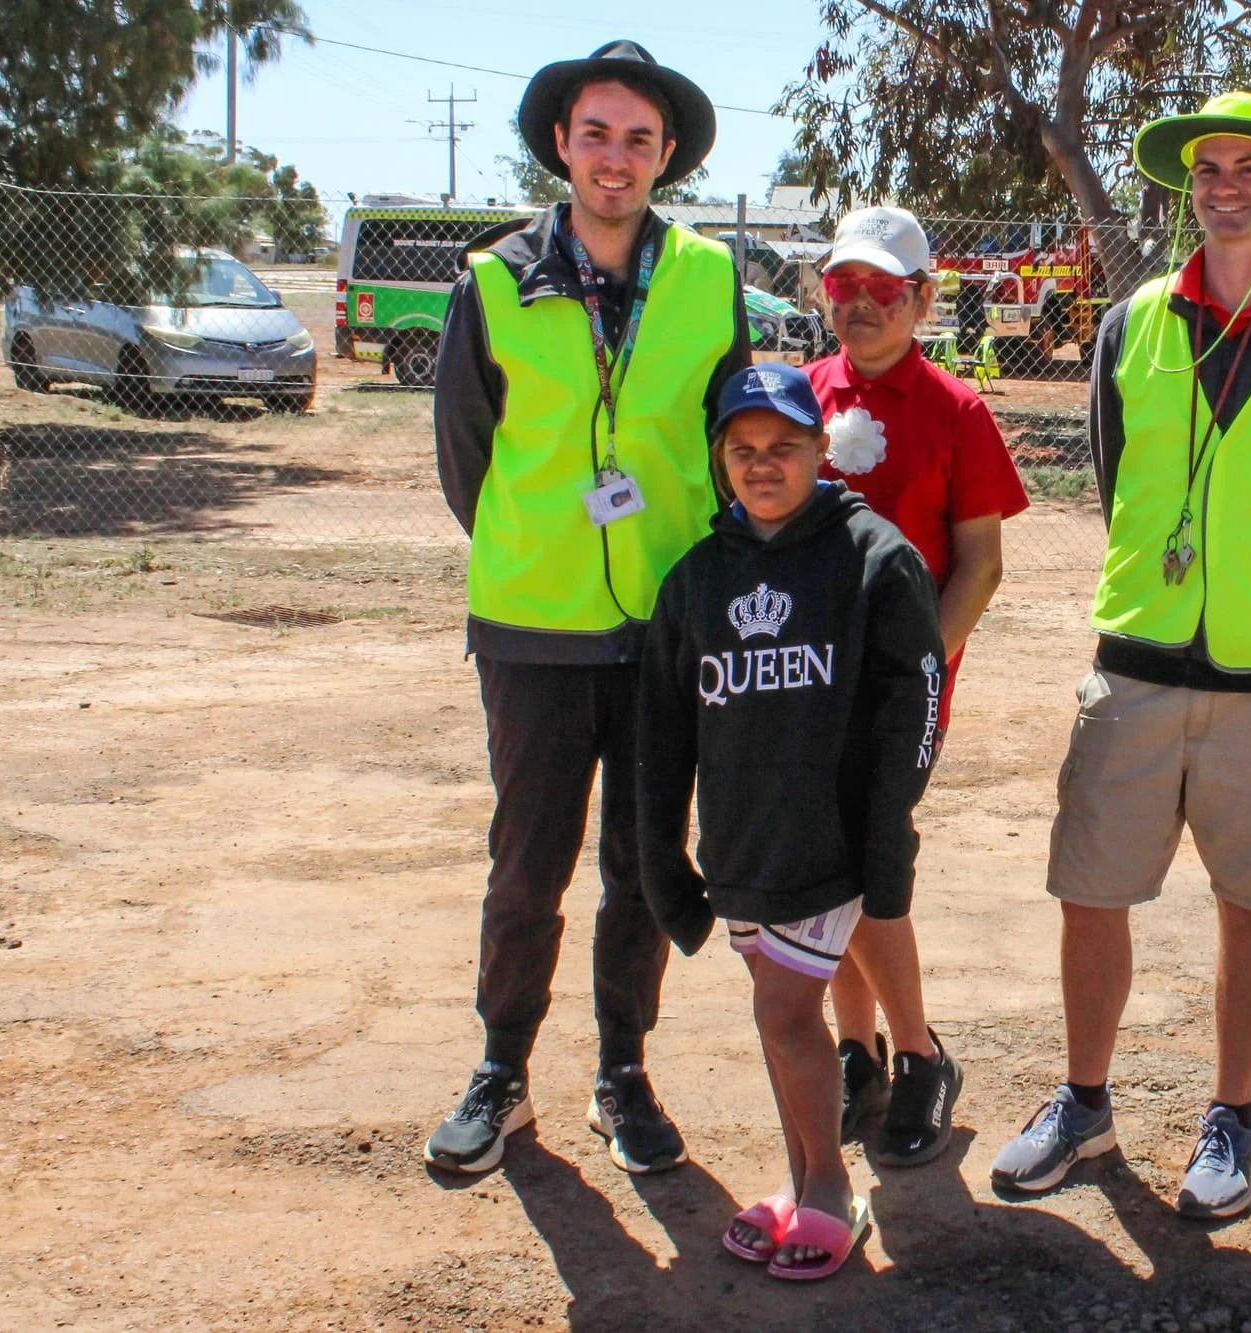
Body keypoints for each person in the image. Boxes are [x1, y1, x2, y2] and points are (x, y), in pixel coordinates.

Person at [991, 91, 1251, 1219]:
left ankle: (1231, 1116)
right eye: (1206, 169)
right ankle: (1084, 1102)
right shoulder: (1131, 323)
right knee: (1089, 892)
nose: (1224, 187)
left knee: (1248, 903)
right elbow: (1118, 474)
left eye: (1248, 168)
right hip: (1136, 665)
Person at [425, 41, 750, 1177]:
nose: (616, 157)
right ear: (562, 144)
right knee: (528, 862)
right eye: (597, 134)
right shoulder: (493, 279)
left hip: (664, 626)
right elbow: (466, 457)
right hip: (534, 627)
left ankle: (625, 1072)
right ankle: (502, 1069)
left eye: (638, 139)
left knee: (644, 863)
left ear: (667, 155)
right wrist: (541, 548)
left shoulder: (708, 277)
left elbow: (732, 439)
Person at [636, 363, 944, 1280]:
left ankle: (829, 1191)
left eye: (784, 446)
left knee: (784, 1009)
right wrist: (662, 854)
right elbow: (663, 729)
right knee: (778, 1019)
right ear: (720, 458)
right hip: (741, 843)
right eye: (743, 449)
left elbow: (914, 707)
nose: (762, 464)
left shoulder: (873, 557)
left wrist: (886, 840)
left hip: (829, 839)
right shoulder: (698, 578)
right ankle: (803, 1176)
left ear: (820, 449)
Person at [805, 206, 1030, 1163]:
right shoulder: (802, 392)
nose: (860, 304)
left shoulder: (957, 411)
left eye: (883, 288)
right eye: (842, 285)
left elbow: (981, 563)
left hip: (904, 689)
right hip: (806, 682)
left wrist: (918, 670)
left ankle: (920, 1056)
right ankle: (856, 1053)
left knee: (867, 864)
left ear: (924, 299)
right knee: (821, 863)